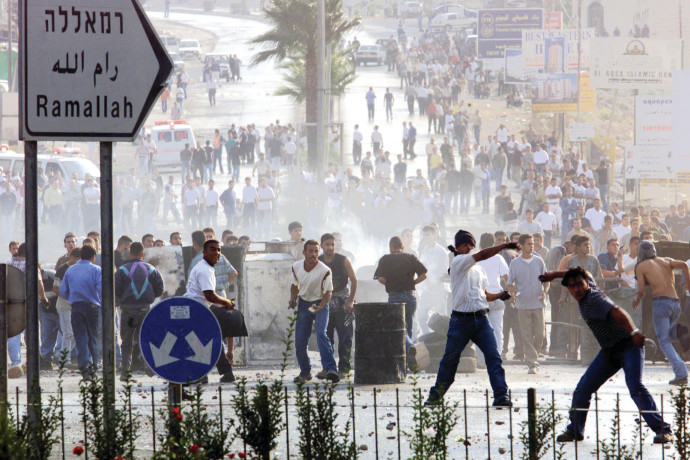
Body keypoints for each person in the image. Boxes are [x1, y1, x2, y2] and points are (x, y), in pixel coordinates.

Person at [539, 267, 672, 444]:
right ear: (568, 288)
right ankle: (575, 430)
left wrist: (634, 333)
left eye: (579, 284)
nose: (577, 289)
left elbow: (617, 311)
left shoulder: (594, 298)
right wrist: (553, 274)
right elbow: (583, 272)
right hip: (610, 350)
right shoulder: (589, 285)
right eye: (572, 286)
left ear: (586, 283)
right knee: (583, 389)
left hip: (628, 346)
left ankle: (663, 430)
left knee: (635, 387)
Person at [425, 230, 515, 406]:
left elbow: (483, 294)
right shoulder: (458, 261)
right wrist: (504, 245)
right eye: (463, 245)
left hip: (481, 319)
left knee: (493, 357)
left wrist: (499, 295)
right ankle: (435, 396)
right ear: (457, 248)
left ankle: (501, 396)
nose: (467, 248)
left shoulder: (479, 270)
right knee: (450, 360)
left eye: (469, 245)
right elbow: (482, 254)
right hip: (461, 321)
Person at [185, 239, 247, 383]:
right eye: (213, 249)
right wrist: (226, 302)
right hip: (196, 308)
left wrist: (226, 303)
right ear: (204, 252)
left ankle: (209, 374)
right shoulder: (204, 269)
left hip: (202, 308)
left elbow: (210, 295)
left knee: (207, 339)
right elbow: (209, 295)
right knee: (202, 340)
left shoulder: (208, 267)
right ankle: (210, 373)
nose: (217, 253)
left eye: (219, 250)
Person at [633, 241, 690, 385]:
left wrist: (637, 300)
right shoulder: (666, 260)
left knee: (664, 341)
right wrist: (689, 285)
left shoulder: (641, 266)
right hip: (675, 303)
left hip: (661, 303)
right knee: (668, 339)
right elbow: (684, 265)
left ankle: (681, 372)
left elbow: (641, 290)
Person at [289, 240, 339, 383]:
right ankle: (305, 372)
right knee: (300, 340)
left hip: (320, 302)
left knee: (320, 333)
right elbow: (294, 285)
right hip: (304, 303)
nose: (313, 254)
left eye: (316, 251)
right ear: (304, 252)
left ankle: (331, 368)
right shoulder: (296, 266)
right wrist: (293, 298)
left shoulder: (324, 270)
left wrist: (322, 305)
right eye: (310, 251)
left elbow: (328, 292)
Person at [115, 242, 165, 377]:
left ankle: (126, 372)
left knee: (126, 341)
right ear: (143, 254)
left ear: (130, 254)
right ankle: (148, 365)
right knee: (147, 338)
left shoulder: (122, 270)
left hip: (128, 311)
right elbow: (160, 289)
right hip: (145, 310)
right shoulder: (152, 269)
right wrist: (149, 297)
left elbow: (116, 290)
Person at [374, 236, 427, 351]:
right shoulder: (411, 257)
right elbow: (424, 275)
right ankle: (408, 360)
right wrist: (413, 283)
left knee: (398, 328)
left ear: (391, 247)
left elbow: (381, 279)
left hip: (395, 297)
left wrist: (391, 283)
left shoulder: (385, 259)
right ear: (402, 247)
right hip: (411, 296)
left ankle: (410, 348)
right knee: (408, 328)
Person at [318, 233, 358, 379]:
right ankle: (328, 368)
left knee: (345, 337)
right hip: (325, 302)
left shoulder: (343, 260)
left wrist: (351, 301)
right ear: (321, 245)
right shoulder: (318, 261)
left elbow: (354, 280)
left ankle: (344, 368)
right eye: (327, 244)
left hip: (342, 302)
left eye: (332, 244)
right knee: (325, 336)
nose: (330, 247)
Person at [59, 245, 102, 377]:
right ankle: (94, 365)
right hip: (93, 308)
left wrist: (73, 298)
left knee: (80, 337)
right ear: (93, 257)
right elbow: (101, 290)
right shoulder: (96, 269)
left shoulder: (70, 270)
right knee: (92, 337)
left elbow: (62, 291)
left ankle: (84, 365)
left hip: (76, 307)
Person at [507, 234, 548, 374]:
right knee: (526, 334)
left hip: (538, 303)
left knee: (540, 334)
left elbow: (546, 280)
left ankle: (532, 356)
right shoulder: (515, 263)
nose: (532, 246)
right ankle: (532, 362)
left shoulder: (538, 261)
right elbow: (510, 283)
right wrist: (514, 292)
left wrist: (545, 292)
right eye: (529, 243)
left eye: (532, 243)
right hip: (522, 304)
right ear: (522, 245)